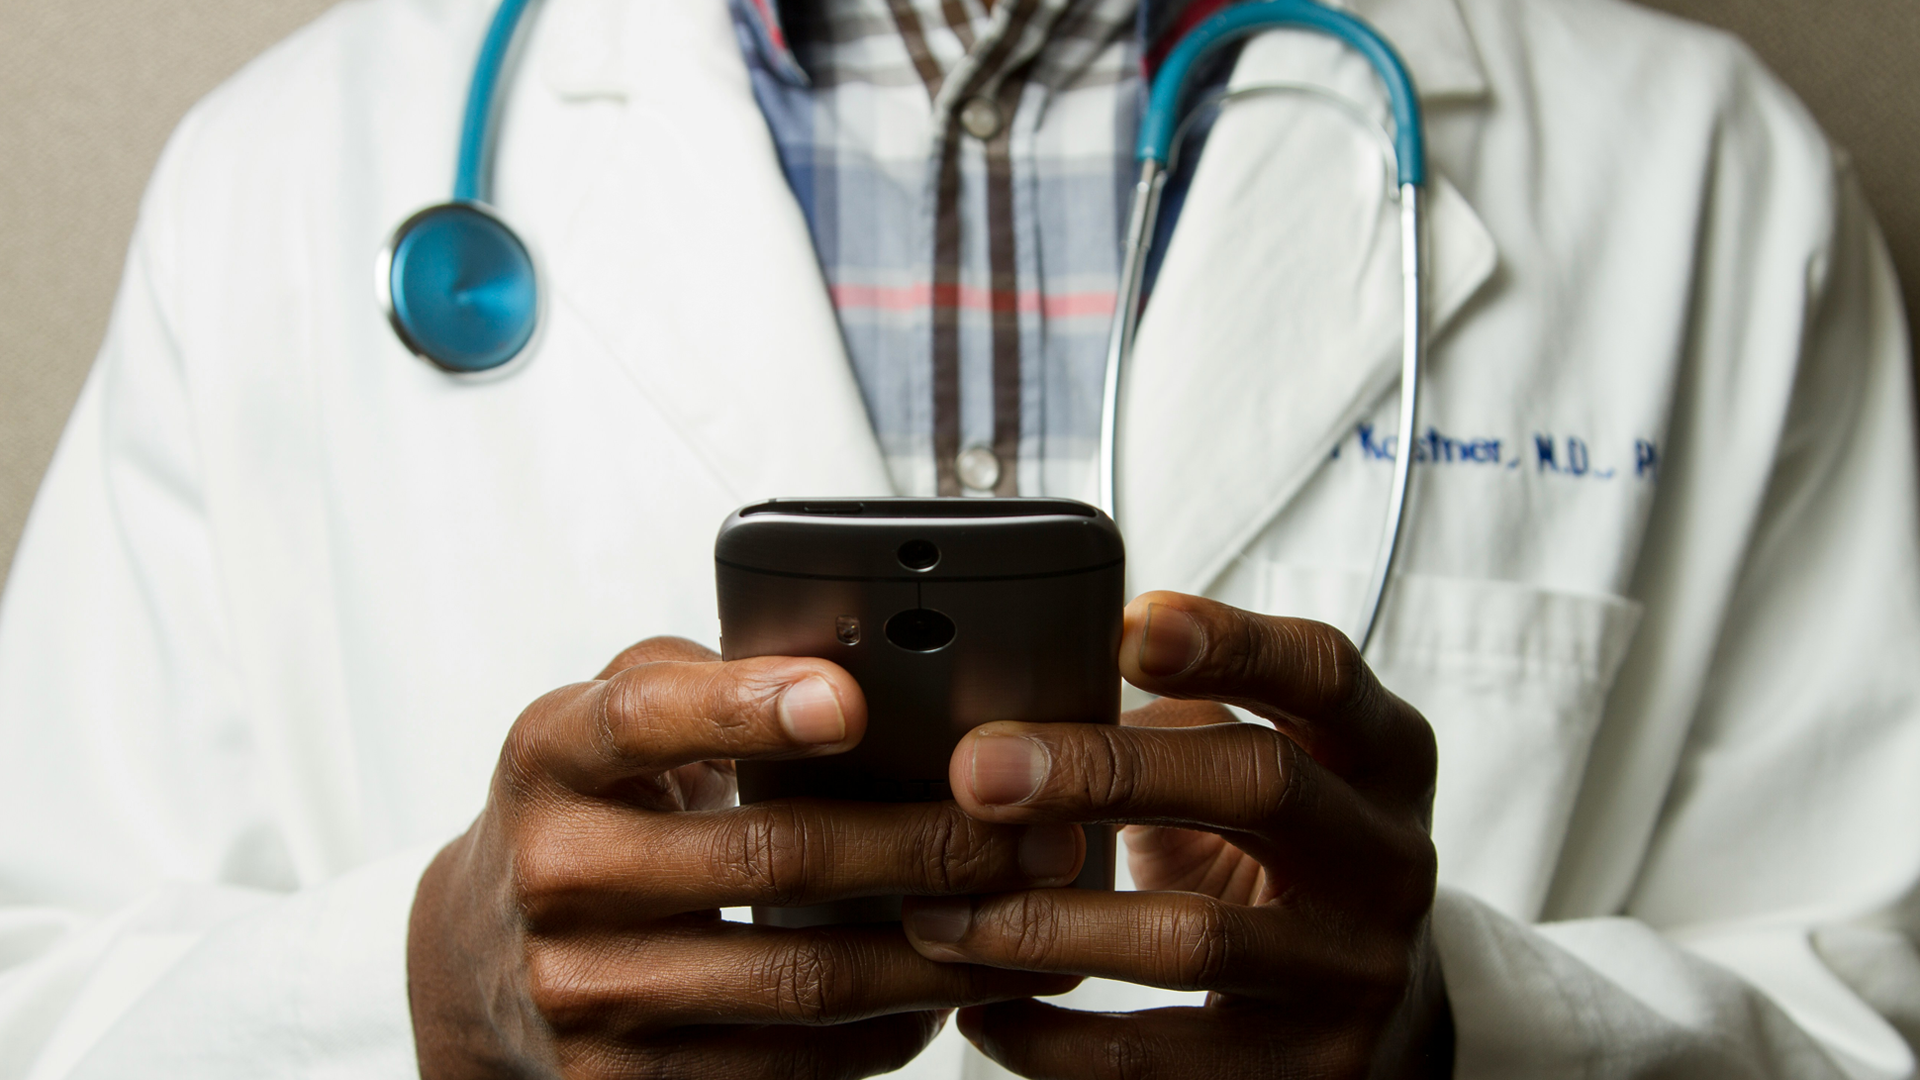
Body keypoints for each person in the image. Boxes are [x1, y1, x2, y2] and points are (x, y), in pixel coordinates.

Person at [0, 0, 1915, 1074]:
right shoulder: (280, 181)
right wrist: (427, 995)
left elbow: (1874, 1006)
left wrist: (1461, 1038)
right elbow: (43, 998)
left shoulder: (1706, 180)